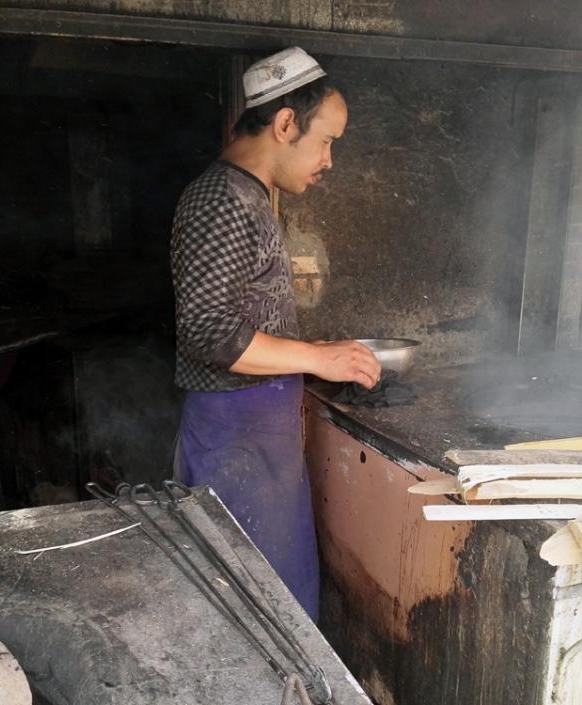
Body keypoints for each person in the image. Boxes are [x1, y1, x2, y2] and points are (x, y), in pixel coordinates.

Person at [170, 47, 381, 620]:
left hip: (257, 434)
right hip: (234, 437)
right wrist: (317, 358)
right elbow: (209, 333)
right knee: (250, 611)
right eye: (328, 140)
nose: (329, 161)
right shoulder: (221, 199)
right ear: (286, 123)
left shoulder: (250, 196)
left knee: (273, 602)